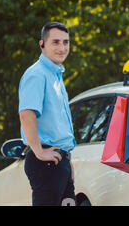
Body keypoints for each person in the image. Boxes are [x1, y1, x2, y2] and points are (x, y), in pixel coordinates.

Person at [18, 22, 76, 206]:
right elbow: (26, 114)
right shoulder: (37, 74)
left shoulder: (55, 76)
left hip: (60, 161)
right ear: (42, 44)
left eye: (65, 42)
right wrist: (39, 152)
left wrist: (68, 160)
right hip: (45, 164)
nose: (62, 47)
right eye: (56, 42)